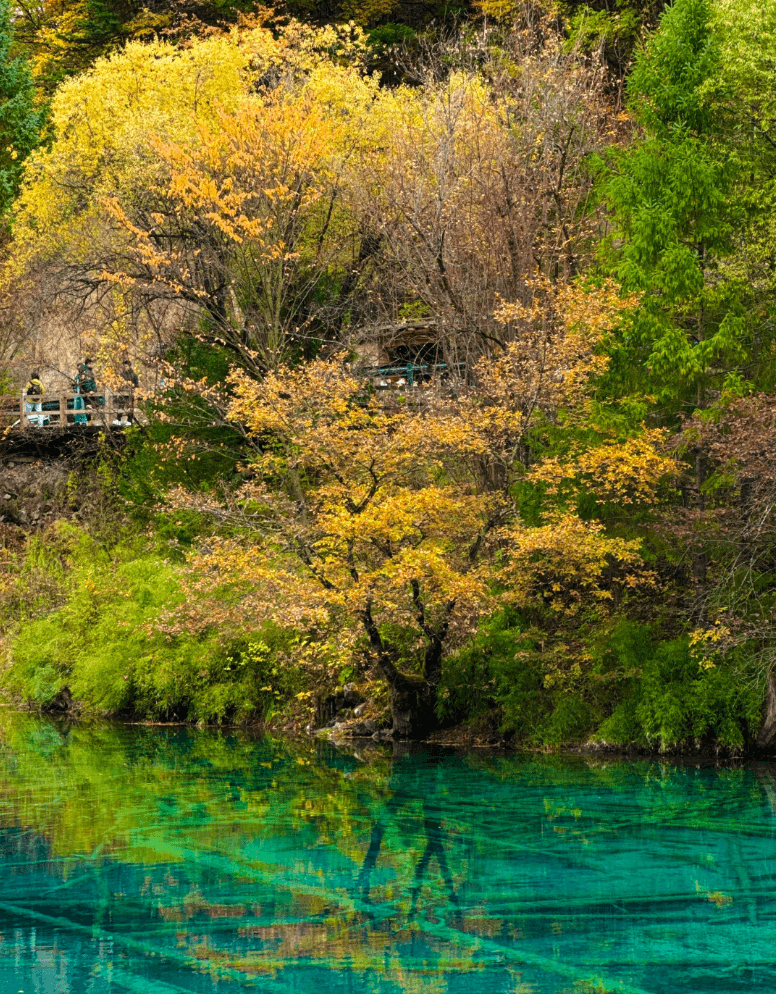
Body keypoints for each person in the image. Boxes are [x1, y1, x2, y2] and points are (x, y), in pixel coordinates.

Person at [117, 358, 139, 423]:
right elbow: (119, 384)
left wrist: (134, 391)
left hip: (130, 393)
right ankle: (118, 419)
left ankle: (129, 420)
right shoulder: (121, 375)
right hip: (122, 393)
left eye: (126, 366)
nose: (125, 367)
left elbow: (136, 385)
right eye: (124, 366)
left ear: (129, 366)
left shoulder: (134, 375)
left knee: (130, 407)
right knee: (120, 406)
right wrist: (119, 391)